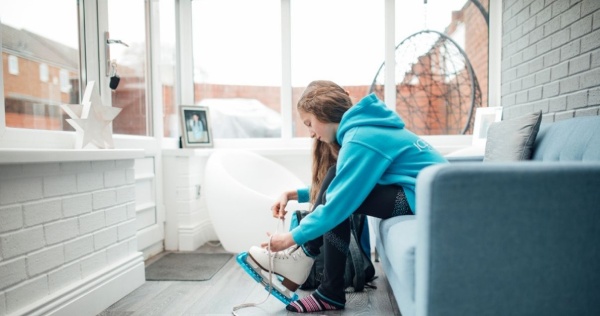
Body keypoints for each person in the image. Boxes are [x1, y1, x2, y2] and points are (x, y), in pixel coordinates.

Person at [248, 80, 448, 313]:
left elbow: (341, 199)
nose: (311, 133)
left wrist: (292, 238)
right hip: (424, 195)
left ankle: (319, 279)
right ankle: (309, 267)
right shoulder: (364, 129)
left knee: (340, 202)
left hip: (429, 200)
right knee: (335, 180)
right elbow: (350, 181)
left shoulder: (360, 138)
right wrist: (293, 194)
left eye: (309, 124)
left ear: (323, 112)